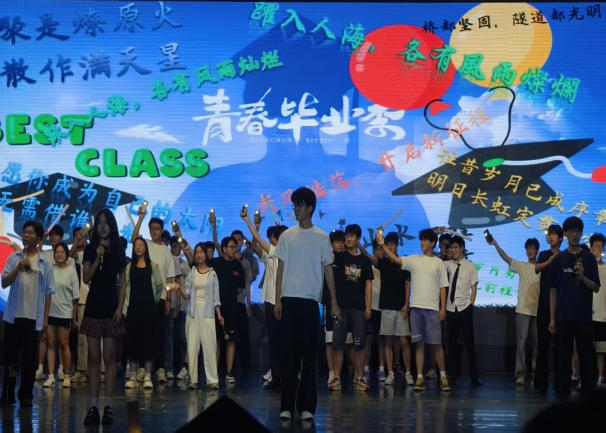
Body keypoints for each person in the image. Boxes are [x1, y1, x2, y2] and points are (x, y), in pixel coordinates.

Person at [274, 187, 340, 424]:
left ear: (310, 208)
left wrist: (334, 303)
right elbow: (280, 269)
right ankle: (286, 406)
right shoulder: (287, 236)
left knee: (309, 358)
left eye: (299, 205)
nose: (296, 209)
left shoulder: (321, 237)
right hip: (289, 301)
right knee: (288, 357)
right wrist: (277, 299)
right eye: (294, 205)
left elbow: (328, 270)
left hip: (311, 303)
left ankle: (307, 406)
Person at [376, 228, 450, 392]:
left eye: (425, 240)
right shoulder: (414, 259)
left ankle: (443, 377)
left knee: (437, 345)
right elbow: (396, 259)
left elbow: (443, 287)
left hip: (432, 309)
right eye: (421, 239)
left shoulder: (438, 263)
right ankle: (419, 378)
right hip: (416, 309)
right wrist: (382, 245)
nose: (422, 242)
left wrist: (443, 308)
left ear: (432, 243)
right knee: (419, 345)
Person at [80, 209, 127, 425]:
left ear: (112, 226)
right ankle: (92, 407)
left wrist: (120, 307)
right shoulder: (90, 249)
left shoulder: (118, 249)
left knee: (109, 359)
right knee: (93, 358)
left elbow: (123, 281)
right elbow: (86, 278)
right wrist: (97, 256)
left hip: (111, 308)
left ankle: (108, 406)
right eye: (99, 223)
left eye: (106, 223)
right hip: (93, 307)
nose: (102, 226)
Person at [1, 221, 53, 407]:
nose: (26, 235)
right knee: (10, 358)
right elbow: (4, 283)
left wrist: (45, 319)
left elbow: (48, 292)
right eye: (24, 232)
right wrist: (17, 268)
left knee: (30, 361)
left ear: (38, 238)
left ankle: (26, 394)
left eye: (30, 233)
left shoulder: (44, 262)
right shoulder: (14, 257)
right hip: (13, 316)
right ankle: (7, 393)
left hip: (33, 318)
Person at [549, 216, 600, 400]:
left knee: (586, 357)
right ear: (566, 234)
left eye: (577, 231)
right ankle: (563, 394)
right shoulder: (559, 259)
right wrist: (552, 318)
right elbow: (553, 290)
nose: (574, 235)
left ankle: (589, 394)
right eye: (571, 232)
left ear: (581, 233)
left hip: (584, 316)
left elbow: (596, 287)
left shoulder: (589, 258)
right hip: (563, 316)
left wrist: (582, 278)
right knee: (563, 357)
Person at [241, 208, 286, 389]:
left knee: (284, 340)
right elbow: (255, 245)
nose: (272, 240)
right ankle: (276, 375)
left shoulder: (285, 252)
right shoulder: (271, 253)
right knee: (274, 340)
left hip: (284, 302)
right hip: (270, 301)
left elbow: (258, 241)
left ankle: (286, 373)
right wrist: (253, 224)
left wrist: (248, 221)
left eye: (275, 237)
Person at [131, 212, 177, 383]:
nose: (154, 232)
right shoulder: (146, 245)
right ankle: (142, 368)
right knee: (143, 333)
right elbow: (134, 238)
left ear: (162, 230)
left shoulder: (166, 251)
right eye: (152, 229)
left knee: (159, 335)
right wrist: (140, 218)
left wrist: (168, 299)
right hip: (143, 297)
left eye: (157, 229)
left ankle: (160, 368)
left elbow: (170, 278)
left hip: (160, 298)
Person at [490, 236, 541, 386]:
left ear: (537, 250)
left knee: (537, 345)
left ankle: (536, 374)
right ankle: (520, 374)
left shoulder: (542, 267)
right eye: (528, 248)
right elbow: (506, 258)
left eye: (532, 248)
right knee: (521, 343)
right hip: (523, 310)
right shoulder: (522, 266)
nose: (530, 251)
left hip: (538, 311)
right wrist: (495, 244)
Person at [364, 232, 413, 386]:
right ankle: (389, 372)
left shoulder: (403, 262)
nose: (391, 247)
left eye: (393, 244)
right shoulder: (383, 263)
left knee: (404, 341)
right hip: (386, 307)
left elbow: (407, 284)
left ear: (397, 245)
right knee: (387, 341)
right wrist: (359, 245)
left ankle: (408, 372)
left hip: (401, 308)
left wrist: (406, 304)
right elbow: (369, 257)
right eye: (388, 244)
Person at [329, 224, 373, 392]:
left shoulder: (364, 261)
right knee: (338, 345)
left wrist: (369, 306)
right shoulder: (338, 257)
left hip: (358, 308)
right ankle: (337, 378)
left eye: (352, 236)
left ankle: (359, 378)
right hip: (340, 308)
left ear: (358, 239)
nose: (348, 239)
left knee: (359, 345)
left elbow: (368, 284)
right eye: (346, 236)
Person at [122, 237, 166, 390]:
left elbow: (160, 286)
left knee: (148, 342)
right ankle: (133, 376)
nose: (138, 247)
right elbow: (125, 287)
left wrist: (155, 303)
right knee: (132, 342)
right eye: (135, 245)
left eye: (141, 245)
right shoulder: (129, 267)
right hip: (133, 309)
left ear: (146, 248)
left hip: (149, 309)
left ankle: (147, 376)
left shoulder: (153, 266)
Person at [209, 214, 245, 386]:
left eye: (235, 247)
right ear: (224, 249)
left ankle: (230, 372)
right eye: (231, 247)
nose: (234, 249)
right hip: (215, 307)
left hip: (231, 308)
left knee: (231, 340)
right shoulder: (215, 263)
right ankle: (214, 374)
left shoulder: (238, 265)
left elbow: (240, 287)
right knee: (216, 340)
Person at [184, 243, 224, 390]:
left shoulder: (212, 274)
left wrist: (219, 314)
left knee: (209, 346)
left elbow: (216, 297)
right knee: (192, 346)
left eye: (201, 252)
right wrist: (178, 288)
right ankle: (193, 380)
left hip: (208, 313)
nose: (199, 255)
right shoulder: (192, 273)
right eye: (196, 253)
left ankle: (212, 380)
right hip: (193, 313)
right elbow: (187, 294)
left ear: (206, 254)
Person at [444, 236, 481, 387]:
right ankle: (452, 375)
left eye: (455, 247)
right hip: (450, 308)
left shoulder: (470, 266)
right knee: (451, 343)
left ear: (462, 248)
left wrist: (471, 303)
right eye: (451, 248)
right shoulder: (447, 264)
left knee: (469, 342)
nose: (453, 250)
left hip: (465, 308)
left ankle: (474, 376)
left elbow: (474, 287)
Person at [43, 243, 80, 389]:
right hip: (50, 312)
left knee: (64, 344)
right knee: (51, 344)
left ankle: (66, 375)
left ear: (66, 254)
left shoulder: (71, 270)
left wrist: (74, 317)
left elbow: (75, 297)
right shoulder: (49, 269)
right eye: (57, 252)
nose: (59, 254)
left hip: (65, 313)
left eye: (62, 252)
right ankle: (51, 376)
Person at [533, 224, 563, 393]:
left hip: (561, 305)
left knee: (560, 347)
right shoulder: (544, 254)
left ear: (561, 237)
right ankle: (540, 383)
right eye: (549, 234)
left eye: (554, 234)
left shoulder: (565, 255)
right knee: (542, 345)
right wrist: (549, 261)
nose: (551, 237)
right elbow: (536, 269)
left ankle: (559, 382)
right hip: (544, 304)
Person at [36, 224, 66, 381]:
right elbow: (37, 254)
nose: (54, 237)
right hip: (45, 301)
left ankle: (61, 368)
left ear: (61, 237)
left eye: (57, 235)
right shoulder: (47, 254)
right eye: (52, 235)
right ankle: (40, 368)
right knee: (44, 337)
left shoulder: (65, 255)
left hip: (60, 303)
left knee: (60, 339)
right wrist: (41, 239)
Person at [362, 240, 386, 383]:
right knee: (368, 340)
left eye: (382, 249)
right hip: (370, 307)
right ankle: (365, 367)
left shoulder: (387, 265)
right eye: (377, 249)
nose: (380, 252)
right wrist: (367, 307)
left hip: (384, 308)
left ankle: (382, 368)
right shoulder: (368, 266)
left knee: (382, 340)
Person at [70, 226, 90, 383]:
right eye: (77, 236)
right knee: (82, 338)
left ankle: (101, 370)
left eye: (82, 235)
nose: (80, 237)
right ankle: (82, 369)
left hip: (96, 299)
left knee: (98, 337)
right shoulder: (75, 255)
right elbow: (70, 255)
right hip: (82, 299)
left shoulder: (93, 251)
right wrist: (76, 242)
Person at [590, 233, 606, 386]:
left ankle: (600, 378)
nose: (598, 248)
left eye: (601, 246)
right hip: (587, 314)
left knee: (601, 350)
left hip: (603, 315)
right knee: (586, 349)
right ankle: (585, 377)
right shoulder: (587, 267)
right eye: (595, 245)